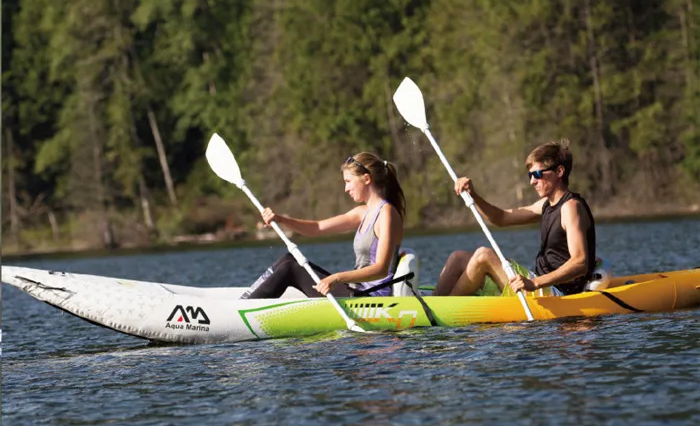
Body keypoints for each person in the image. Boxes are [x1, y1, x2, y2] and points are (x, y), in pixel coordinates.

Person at [434, 139, 596, 297]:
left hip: (559, 292)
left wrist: (535, 283)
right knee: (458, 258)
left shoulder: (571, 207)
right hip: (540, 283)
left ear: (559, 172)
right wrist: (473, 196)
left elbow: (580, 262)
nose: (532, 181)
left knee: (484, 255)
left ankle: (441, 312)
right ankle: (433, 303)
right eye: (530, 175)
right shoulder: (545, 205)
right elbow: (501, 218)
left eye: (538, 174)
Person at [241, 153, 406, 299]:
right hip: (356, 289)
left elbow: (381, 269)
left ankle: (243, 311)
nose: (346, 188)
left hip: (371, 297)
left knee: (291, 268)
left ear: (366, 179)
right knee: (289, 259)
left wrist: (336, 278)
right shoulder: (362, 212)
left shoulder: (386, 214)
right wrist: (280, 219)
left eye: (348, 181)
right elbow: (317, 228)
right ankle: (246, 300)